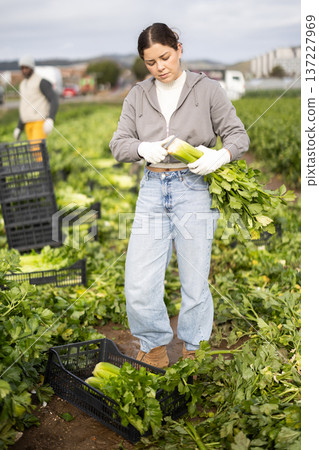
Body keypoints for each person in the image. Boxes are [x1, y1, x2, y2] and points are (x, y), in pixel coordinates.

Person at [110, 23, 250, 368]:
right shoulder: (138, 95)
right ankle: (154, 348)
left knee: (194, 281)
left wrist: (219, 156)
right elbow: (118, 144)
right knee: (139, 281)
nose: (160, 67)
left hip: (194, 188)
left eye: (165, 57)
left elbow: (237, 136)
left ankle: (194, 350)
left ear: (179, 49)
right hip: (153, 190)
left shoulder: (207, 90)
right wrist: (142, 148)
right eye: (150, 62)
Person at [13, 54, 59, 142]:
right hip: (27, 124)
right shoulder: (23, 85)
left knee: (38, 152)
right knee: (33, 153)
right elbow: (24, 106)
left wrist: (50, 118)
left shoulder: (41, 82)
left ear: (32, 67)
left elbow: (54, 99)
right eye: (22, 68)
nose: (24, 71)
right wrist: (19, 127)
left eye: (26, 68)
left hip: (39, 123)